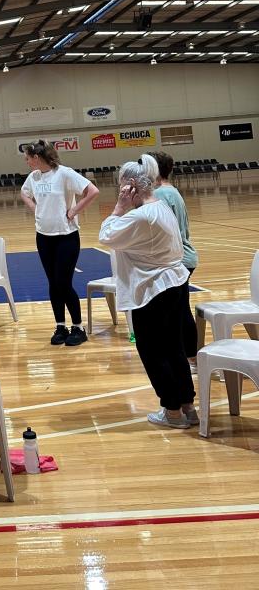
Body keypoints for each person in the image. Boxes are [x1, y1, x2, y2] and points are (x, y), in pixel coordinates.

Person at [99, 154, 196, 429]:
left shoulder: (142, 216)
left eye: (121, 186)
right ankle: (187, 406)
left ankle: (172, 411)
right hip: (173, 284)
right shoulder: (161, 206)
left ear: (130, 185)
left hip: (153, 289)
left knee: (154, 351)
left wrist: (118, 207)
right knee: (174, 347)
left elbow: (106, 234)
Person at [20, 140, 100, 346]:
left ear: (37, 157)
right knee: (53, 284)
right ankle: (60, 326)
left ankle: (78, 327)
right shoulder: (33, 177)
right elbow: (24, 192)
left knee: (64, 283)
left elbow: (92, 191)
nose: (26, 161)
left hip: (66, 237)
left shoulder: (64, 173)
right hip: (43, 237)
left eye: (28, 158)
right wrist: (35, 209)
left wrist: (73, 211)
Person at [149, 151, 199, 371]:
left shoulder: (160, 194)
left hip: (178, 258)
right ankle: (188, 356)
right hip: (182, 256)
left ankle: (190, 357)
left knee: (179, 311)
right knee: (180, 309)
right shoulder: (171, 191)